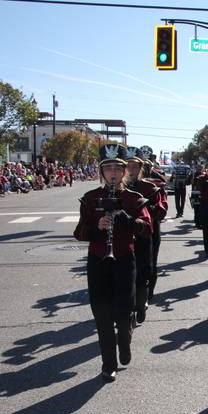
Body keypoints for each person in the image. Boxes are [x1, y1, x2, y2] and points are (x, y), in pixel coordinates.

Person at [73, 144, 153, 382]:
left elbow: (147, 228)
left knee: (122, 309)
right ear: (102, 172)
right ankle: (108, 363)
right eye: (108, 169)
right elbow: (79, 232)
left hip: (124, 260)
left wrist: (126, 218)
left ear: (125, 171)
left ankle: (125, 337)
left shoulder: (133, 198)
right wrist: (96, 228)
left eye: (117, 168)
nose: (113, 173)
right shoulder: (90, 199)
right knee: (102, 314)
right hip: (98, 260)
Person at [124, 147, 167, 324]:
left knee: (147, 267)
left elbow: (161, 211)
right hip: (124, 235)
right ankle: (129, 304)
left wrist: (145, 208)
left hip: (147, 233)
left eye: (135, 166)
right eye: (128, 166)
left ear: (141, 168)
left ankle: (144, 298)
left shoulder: (150, 187)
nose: (131, 170)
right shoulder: (117, 187)